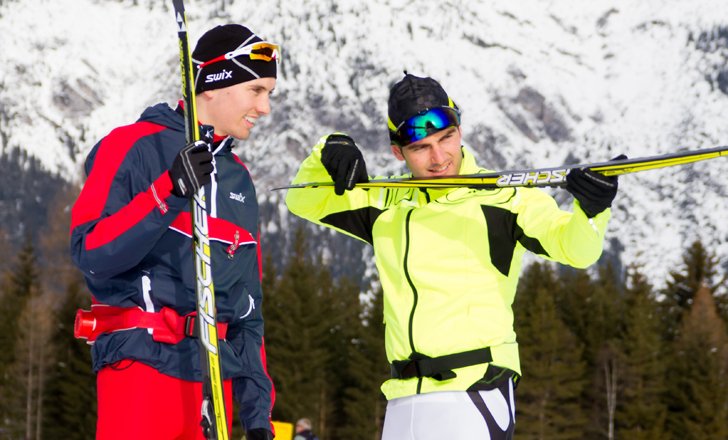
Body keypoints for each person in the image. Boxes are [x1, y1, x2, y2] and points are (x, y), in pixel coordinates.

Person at [285, 73, 621, 439]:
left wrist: (591, 210)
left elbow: (577, 249)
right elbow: (302, 200)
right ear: (399, 152)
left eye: (447, 138)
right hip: (402, 398)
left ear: (459, 129)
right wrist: (328, 151)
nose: (439, 156)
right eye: (421, 147)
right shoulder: (386, 204)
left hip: (474, 390)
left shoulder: (505, 199)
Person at [69, 24, 279, 440]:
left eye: (269, 93)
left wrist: (257, 417)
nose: (265, 107)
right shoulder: (131, 146)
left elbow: (247, 312)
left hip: (211, 384)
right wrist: (167, 193)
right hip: (141, 368)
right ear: (215, 84)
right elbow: (90, 253)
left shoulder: (239, 180)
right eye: (257, 90)